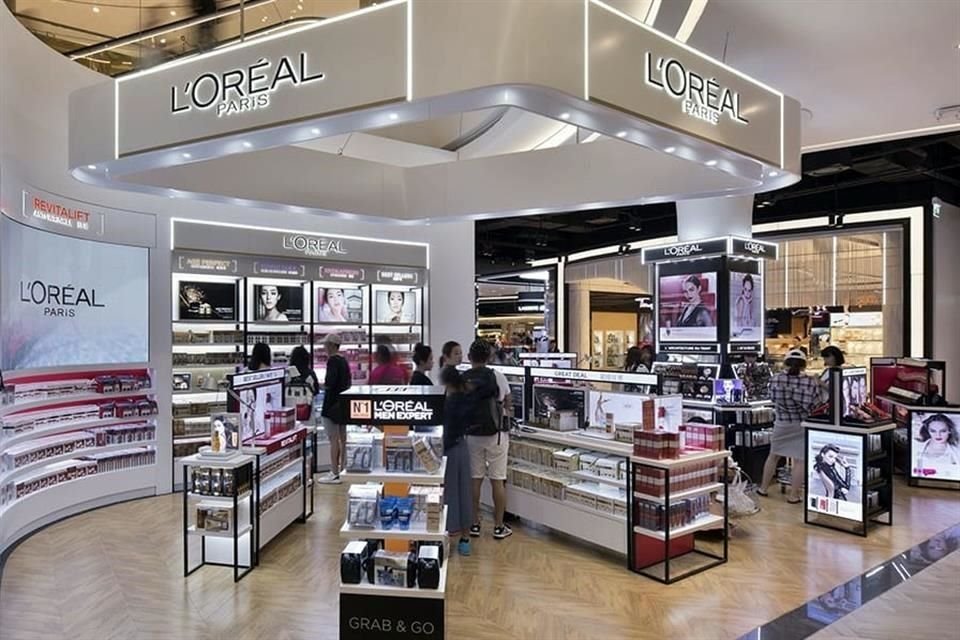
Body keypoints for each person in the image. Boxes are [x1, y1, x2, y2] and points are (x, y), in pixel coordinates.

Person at [462, 340, 513, 540]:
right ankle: (498, 526)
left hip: (471, 435)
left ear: (469, 357)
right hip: (496, 435)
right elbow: (508, 403)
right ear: (489, 356)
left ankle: (474, 523)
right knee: (497, 480)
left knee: (475, 480)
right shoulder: (497, 376)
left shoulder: (463, 377)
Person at [758, 348, 821, 503]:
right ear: (804, 364)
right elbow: (816, 404)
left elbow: (772, 398)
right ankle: (793, 495)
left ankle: (763, 488)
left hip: (781, 423)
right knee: (799, 460)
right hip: (801, 424)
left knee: (773, 456)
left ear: (785, 363)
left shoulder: (776, 379)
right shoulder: (809, 382)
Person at [439, 366, 475, 555]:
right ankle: (465, 540)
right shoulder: (466, 397)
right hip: (463, 447)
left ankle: (448, 535)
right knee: (465, 492)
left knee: (450, 493)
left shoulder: (450, 402)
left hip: (450, 450)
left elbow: (447, 430)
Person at [318, 334, 351, 483]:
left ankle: (334, 472)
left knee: (333, 440)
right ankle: (343, 469)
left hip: (331, 406)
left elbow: (329, 383)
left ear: (331, 345)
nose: (324, 347)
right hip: (342, 405)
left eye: (326, 344)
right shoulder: (344, 361)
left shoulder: (332, 361)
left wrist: (320, 386)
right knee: (343, 439)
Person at [914, 413, 960, 478]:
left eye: (943, 431)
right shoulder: (915, 448)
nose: (938, 435)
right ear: (928, 431)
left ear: (949, 431)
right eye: (933, 431)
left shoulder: (957, 453)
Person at [287, 346, 320, 421]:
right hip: (308, 414)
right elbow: (316, 391)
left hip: (290, 414)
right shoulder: (310, 374)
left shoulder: (288, 373)